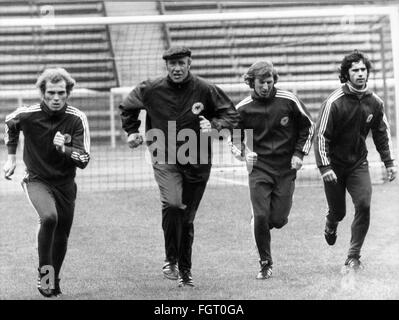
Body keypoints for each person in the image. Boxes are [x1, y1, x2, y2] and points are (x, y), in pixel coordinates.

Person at [119, 46, 240, 287]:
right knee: (173, 203)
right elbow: (128, 106)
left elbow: (232, 116)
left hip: (197, 159)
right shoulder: (150, 89)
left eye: (181, 63)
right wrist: (132, 131)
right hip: (164, 156)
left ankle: (185, 272)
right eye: (172, 64)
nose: (177, 68)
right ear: (166, 66)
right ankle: (170, 259)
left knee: (186, 218)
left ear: (189, 64)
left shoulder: (206, 89)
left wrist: (214, 125)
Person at [3, 68, 90, 297]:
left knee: (62, 235)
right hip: (36, 179)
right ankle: (45, 276)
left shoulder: (77, 118)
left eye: (61, 93)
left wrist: (65, 148)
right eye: (51, 93)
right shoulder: (28, 114)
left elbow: (84, 159)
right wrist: (11, 157)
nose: (56, 98)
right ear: (43, 92)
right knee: (49, 217)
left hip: (65, 185)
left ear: (68, 92)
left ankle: (54, 280)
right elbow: (9, 123)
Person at [314, 50, 397, 272]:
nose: (360, 74)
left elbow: (381, 133)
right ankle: (331, 223)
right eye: (355, 70)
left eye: (363, 69)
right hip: (333, 166)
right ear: (346, 74)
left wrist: (389, 162)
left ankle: (353, 256)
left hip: (357, 164)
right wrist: (324, 166)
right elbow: (321, 135)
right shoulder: (334, 102)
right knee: (339, 211)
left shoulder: (375, 102)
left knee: (364, 204)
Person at [230, 61, 314, 279]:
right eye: (261, 83)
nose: (266, 87)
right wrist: (242, 154)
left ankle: (262, 224)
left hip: (286, 168)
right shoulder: (242, 108)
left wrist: (299, 154)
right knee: (260, 215)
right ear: (252, 83)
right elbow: (235, 139)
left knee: (277, 219)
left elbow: (309, 126)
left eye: (269, 82)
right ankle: (265, 263)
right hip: (259, 168)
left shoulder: (289, 100)